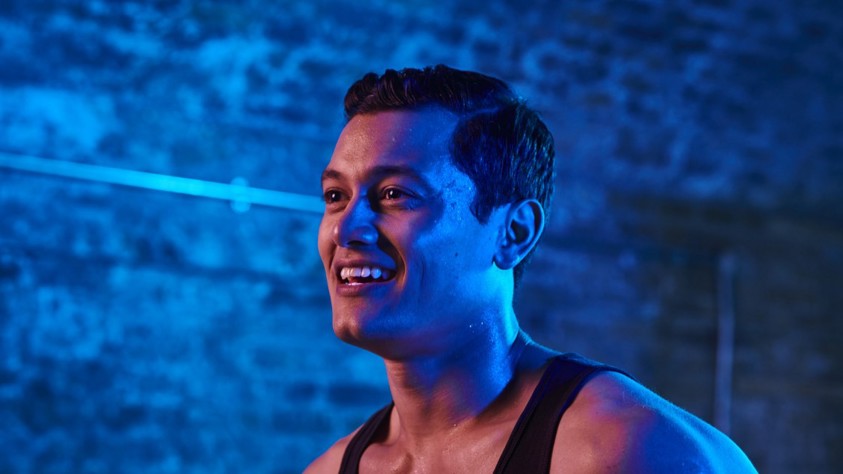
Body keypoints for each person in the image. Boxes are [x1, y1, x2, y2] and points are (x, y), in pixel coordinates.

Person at [305, 65, 756, 473]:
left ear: (513, 233)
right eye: (335, 197)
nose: (346, 229)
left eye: (394, 195)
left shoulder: (629, 453)